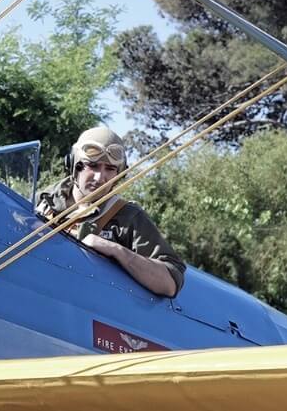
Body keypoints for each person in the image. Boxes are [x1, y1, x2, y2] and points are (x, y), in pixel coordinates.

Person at [33, 126, 185, 298]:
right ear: (73, 164)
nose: (100, 178)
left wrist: (116, 250)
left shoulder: (127, 217)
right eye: (93, 166)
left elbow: (170, 283)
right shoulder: (43, 201)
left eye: (110, 169)